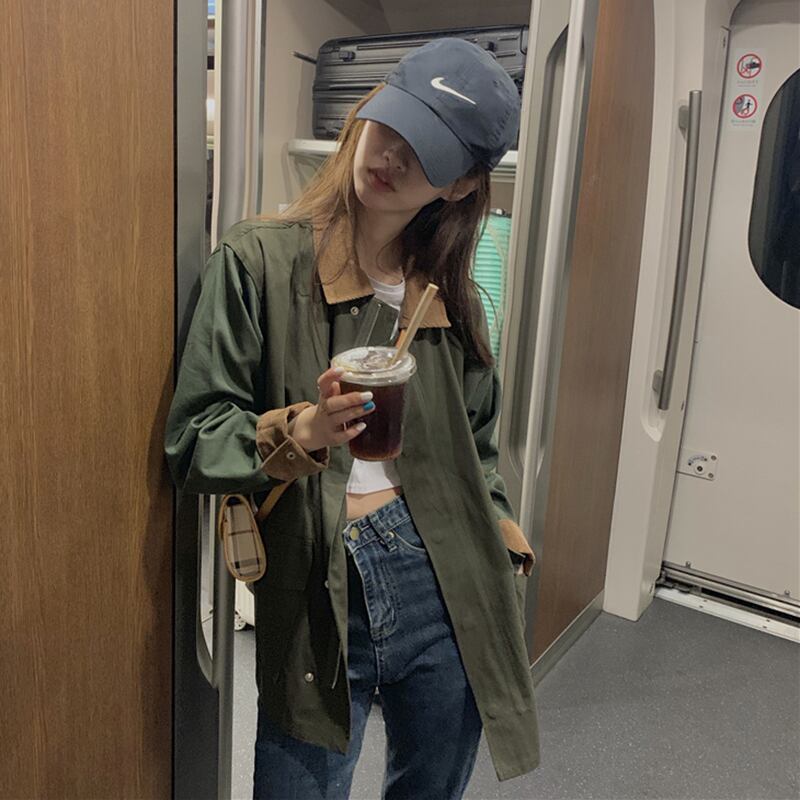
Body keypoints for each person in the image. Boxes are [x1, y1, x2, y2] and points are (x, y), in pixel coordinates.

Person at [165, 37, 540, 800]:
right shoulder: (259, 262)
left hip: (449, 574)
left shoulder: (449, 299)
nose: (391, 155)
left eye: (425, 150)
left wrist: (502, 543)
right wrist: (298, 433)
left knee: (431, 786)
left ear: (462, 185)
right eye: (391, 123)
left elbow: (477, 448)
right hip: (321, 577)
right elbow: (193, 437)